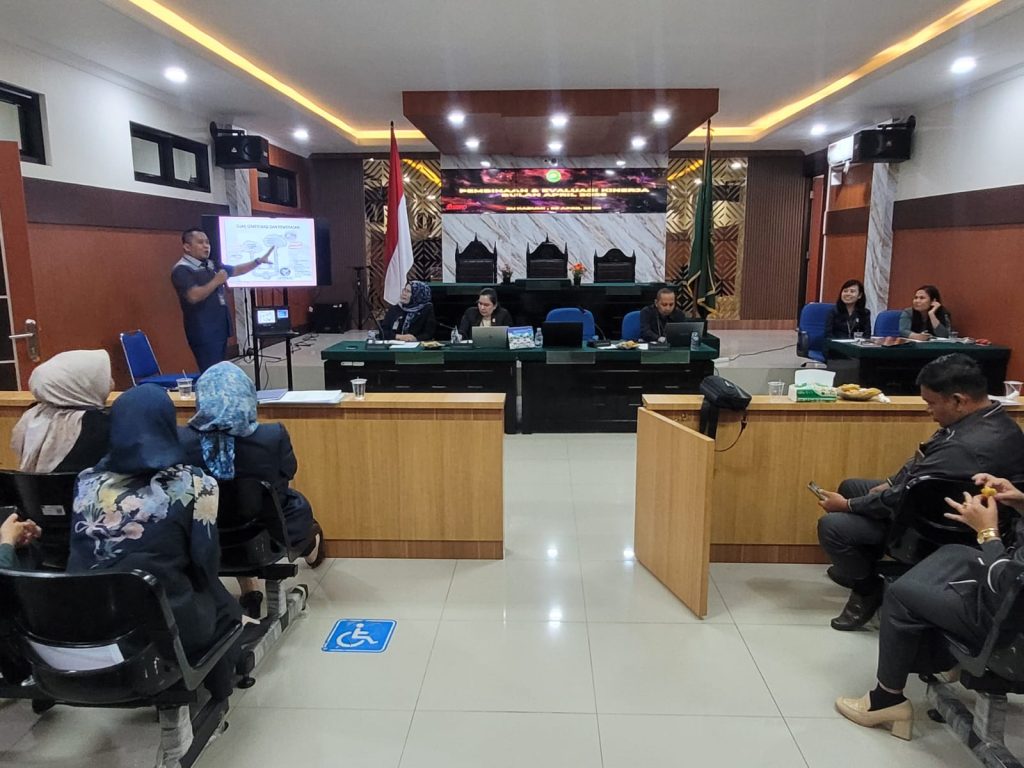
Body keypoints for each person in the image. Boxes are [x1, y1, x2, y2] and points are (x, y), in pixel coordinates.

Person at [816, 353, 1024, 631]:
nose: (928, 410)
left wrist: (848, 506)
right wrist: (888, 482)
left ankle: (867, 588)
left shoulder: (964, 446)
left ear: (958, 400)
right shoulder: (990, 419)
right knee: (852, 486)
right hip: (931, 501)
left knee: (833, 526)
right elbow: (921, 462)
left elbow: (904, 495)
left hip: (940, 528)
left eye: (931, 403)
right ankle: (862, 566)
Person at [67, 385, 241, 701]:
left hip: (88, 625)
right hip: (161, 629)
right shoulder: (197, 484)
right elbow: (206, 563)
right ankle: (218, 693)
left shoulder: (86, 481)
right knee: (225, 606)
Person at [835, 472, 1024, 740]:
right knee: (955, 554)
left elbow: (1009, 582)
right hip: (1010, 595)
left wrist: (988, 533)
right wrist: (1020, 502)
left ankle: (886, 700)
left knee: (900, 594)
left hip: (1009, 624)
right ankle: (943, 659)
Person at [179, 362, 325, 618]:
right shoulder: (271, 436)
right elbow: (289, 471)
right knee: (287, 505)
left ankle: (250, 590)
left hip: (204, 537)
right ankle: (310, 547)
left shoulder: (182, 440)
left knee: (224, 508)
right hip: (267, 534)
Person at [171, 228, 271, 372]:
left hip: (220, 328)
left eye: (207, 242)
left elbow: (236, 270)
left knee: (221, 370)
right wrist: (216, 281)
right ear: (187, 247)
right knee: (212, 373)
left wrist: (258, 261)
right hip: (203, 331)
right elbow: (193, 296)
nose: (206, 246)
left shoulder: (211, 264)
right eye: (200, 242)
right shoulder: (182, 270)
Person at [10, 349, 112, 473]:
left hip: (30, 486)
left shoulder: (31, 415)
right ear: (83, 383)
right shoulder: (99, 424)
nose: (111, 382)